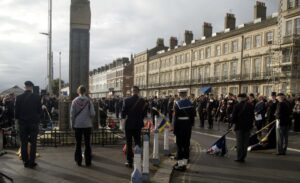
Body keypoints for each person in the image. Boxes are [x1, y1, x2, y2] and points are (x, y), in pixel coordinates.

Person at [15, 81, 42, 168]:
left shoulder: (19, 98)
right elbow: (39, 111)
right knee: (33, 143)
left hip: (23, 124)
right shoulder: (37, 97)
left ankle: (25, 161)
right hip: (33, 123)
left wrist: (20, 120)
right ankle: (32, 161)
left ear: (25, 87)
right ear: (31, 87)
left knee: (24, 143)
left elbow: (16, 113)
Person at [121, 86, 147, 168]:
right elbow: (144, 114)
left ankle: (129, 161)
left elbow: (123, 114)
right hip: (138, 124)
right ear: (138, 92)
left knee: (128, 143)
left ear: (131, 92)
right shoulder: (143, 101)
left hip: (129, 124)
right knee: (137, 142)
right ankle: (137, 159)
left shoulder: (126, 100)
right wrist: (139, 118)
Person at [70, 85, 95, 166]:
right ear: (85, 91)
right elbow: (92, 113)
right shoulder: (89, 101)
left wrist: (72, 124)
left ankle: (78, 161)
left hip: (77, 125)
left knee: (78, 143)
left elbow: (72, 115)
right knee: (87, 144)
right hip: (87, 125)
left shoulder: (74, 101)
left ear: (78, 92)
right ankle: (88, 161)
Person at [173, 89, 196, 171]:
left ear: (179, 94)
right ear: (186, 94)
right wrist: (190, 124)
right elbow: (193, 116)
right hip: (188, 127)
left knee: (180, 146)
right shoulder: (191, 103)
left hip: (180, 127)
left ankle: (180, 165)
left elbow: (175, 119)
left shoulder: (177, 104)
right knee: (186, 145)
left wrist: (174, 130)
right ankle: (184, 164)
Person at [232, 93, 254, 162]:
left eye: (238, 98)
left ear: (240, 98)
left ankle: (239, 157)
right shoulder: (250, 105)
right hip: (247, 127)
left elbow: (233, 118)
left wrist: (232, 125)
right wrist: (251, 126)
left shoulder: (237, 106)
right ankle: (244, 156)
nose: (237, 99)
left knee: (239, 143)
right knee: (245, 143)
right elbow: (252, 117)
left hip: (239, 127)